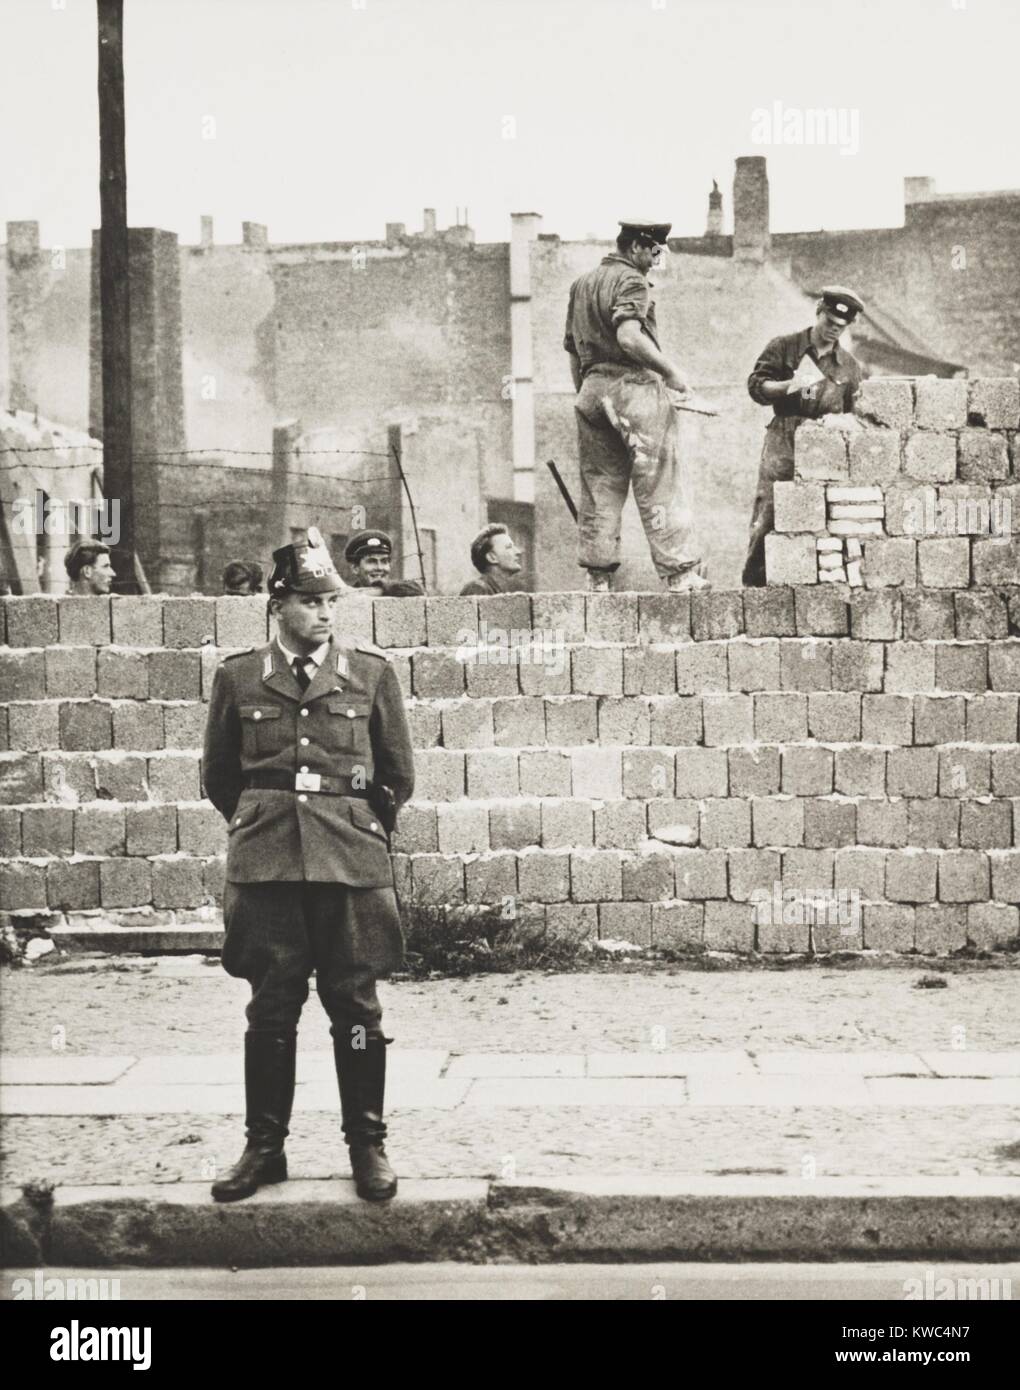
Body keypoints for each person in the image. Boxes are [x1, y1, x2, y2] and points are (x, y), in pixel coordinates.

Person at [202, 527, 415, 1204]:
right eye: (311, 600)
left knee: (356, 1006)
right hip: (266, 864)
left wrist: (353, 827)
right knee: (271, 1008)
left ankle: (367, 1145)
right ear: (279, 604)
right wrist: (266, 821)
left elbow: (397, 776)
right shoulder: (237, 676)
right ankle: (264, 1147)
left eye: (332, 601)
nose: (325, 612)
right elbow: (218, 777)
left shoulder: (371, 673)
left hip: (349, 863)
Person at [563, 219, 708, 594]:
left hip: (591, 392)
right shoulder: (632, 281)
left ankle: (598, 579)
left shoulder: (581, 285)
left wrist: (589, 394)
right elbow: (629, 336)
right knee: (658, 477)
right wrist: (671, 372)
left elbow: (573, 352)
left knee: (600, 485)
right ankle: (680, 574)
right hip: (633, 387)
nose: (657, 259)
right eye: (654, 251)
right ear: (637, 247)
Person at [742, 286, 866, 586]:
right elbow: (756, 387)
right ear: (819, 313)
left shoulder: (849, 367)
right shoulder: (784, 347)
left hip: (826, 445)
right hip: (784, 437)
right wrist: (787, 387)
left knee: (824, 517)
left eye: (840, 327)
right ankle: (755, 587)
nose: (833, 331)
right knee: (769, 514)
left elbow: (855, 413)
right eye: (829, 324)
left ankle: (810, 589)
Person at [344, 529, 424, 597]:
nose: (379, 567)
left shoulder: (396, 592)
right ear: (355, 568)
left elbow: (417, 590)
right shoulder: (349, 596)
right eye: (371, 561)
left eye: (384, 561)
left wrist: (379, 591)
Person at [459, 523, 523, 596]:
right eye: (509, 547)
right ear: (492, 557)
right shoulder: (478, 588)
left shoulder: (498, 589)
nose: (518, 552)